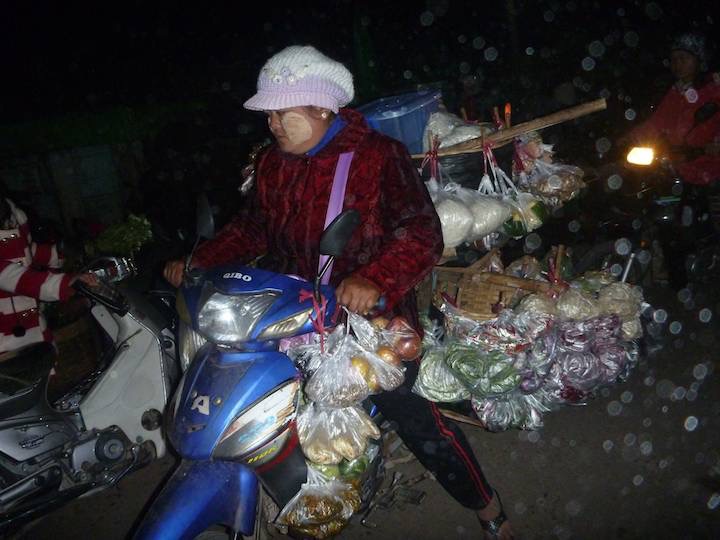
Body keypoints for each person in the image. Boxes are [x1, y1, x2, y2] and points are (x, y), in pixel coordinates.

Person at [164, 45, 514, 539]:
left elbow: (421, 233)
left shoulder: (377, 157)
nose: (273, 125)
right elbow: (255, 230)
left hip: (369, 320)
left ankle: (486, 505)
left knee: (415, 420)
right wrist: (203, 259)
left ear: (322, 108)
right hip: (285, 312)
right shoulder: (271, 164)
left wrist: (376, 278)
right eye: (269, 115)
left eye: (283, 113)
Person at [0, 194, 96, 396]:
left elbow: (25, 251)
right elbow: (10, 275)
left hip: (28, 318)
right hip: (4, 336)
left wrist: (59, 252)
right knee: (19, 396)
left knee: (46, 385)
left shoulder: (10, 214)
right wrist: (63, 283)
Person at [630, 32, 720, 185]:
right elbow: (656, 123)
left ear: (699, 60)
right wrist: (629, 138)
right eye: (674, 59)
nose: (678, 64)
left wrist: (713, 147)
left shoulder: (714, 90)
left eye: (683, 58)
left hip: (712, 172)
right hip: (680, 171)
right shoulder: (675, 92)